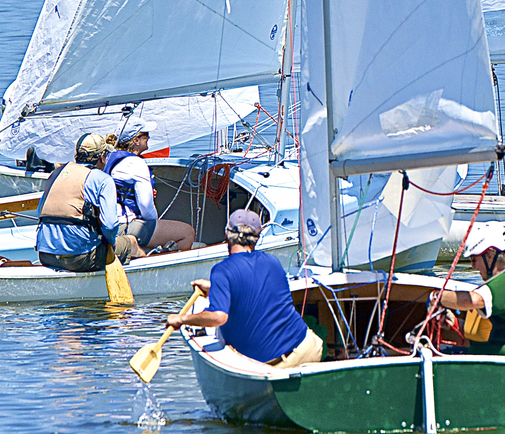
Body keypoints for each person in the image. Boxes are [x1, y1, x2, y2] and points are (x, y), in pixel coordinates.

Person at [166, 209, 324, 368]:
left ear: (227, 233)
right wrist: (215, 289)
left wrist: (181, 319)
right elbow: (254, 291)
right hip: (308, 347)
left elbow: (218, 317)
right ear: (258, 236)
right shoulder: (272, 262)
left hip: (275, 365)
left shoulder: (222, 270)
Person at [430, 222, 505, 356]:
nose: (473, 266)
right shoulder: (500, 282)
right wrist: (452, 322)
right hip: (491, 354)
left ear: (489, 255)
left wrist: (435, 297)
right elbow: (489, 330)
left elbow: (471, 300)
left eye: (474, 259)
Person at [36, 133, 140, 272]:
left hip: (45, 255)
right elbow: (110, 225)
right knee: (130, 242)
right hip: (79, 258)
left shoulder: (55, 174)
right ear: (102, 156)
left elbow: (39, 213)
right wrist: (110, 243)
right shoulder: (103, 179)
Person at [105, 117, 194, 253]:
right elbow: (146, 206)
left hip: (108, 223)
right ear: (136, 140)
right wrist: (155, 225)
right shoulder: (135, 163)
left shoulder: (109, 159)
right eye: (146, 135)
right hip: (123, 225)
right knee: (187, 233)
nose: (149, 137)